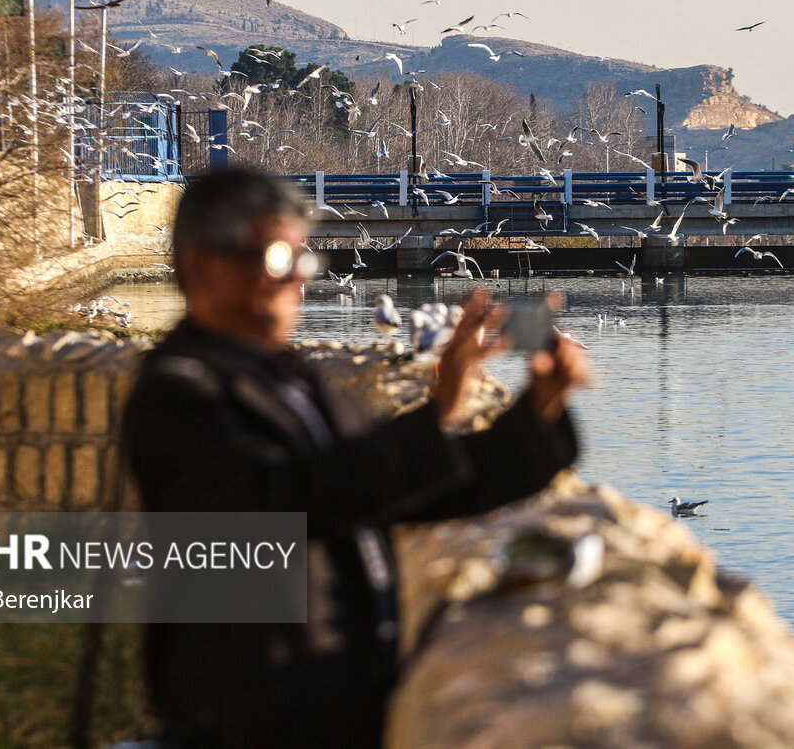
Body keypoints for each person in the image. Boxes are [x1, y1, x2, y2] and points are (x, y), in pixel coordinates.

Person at [120, 167, 590, 748]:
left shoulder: (295, 379)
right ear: (201, 266)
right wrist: (437, 409)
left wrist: (537, 411)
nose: (298, 280)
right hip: (246, 713)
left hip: (336, 704)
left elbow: (407, 487)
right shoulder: (179, 394)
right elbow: (284, 504)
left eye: (303, 260)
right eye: (275, 260)